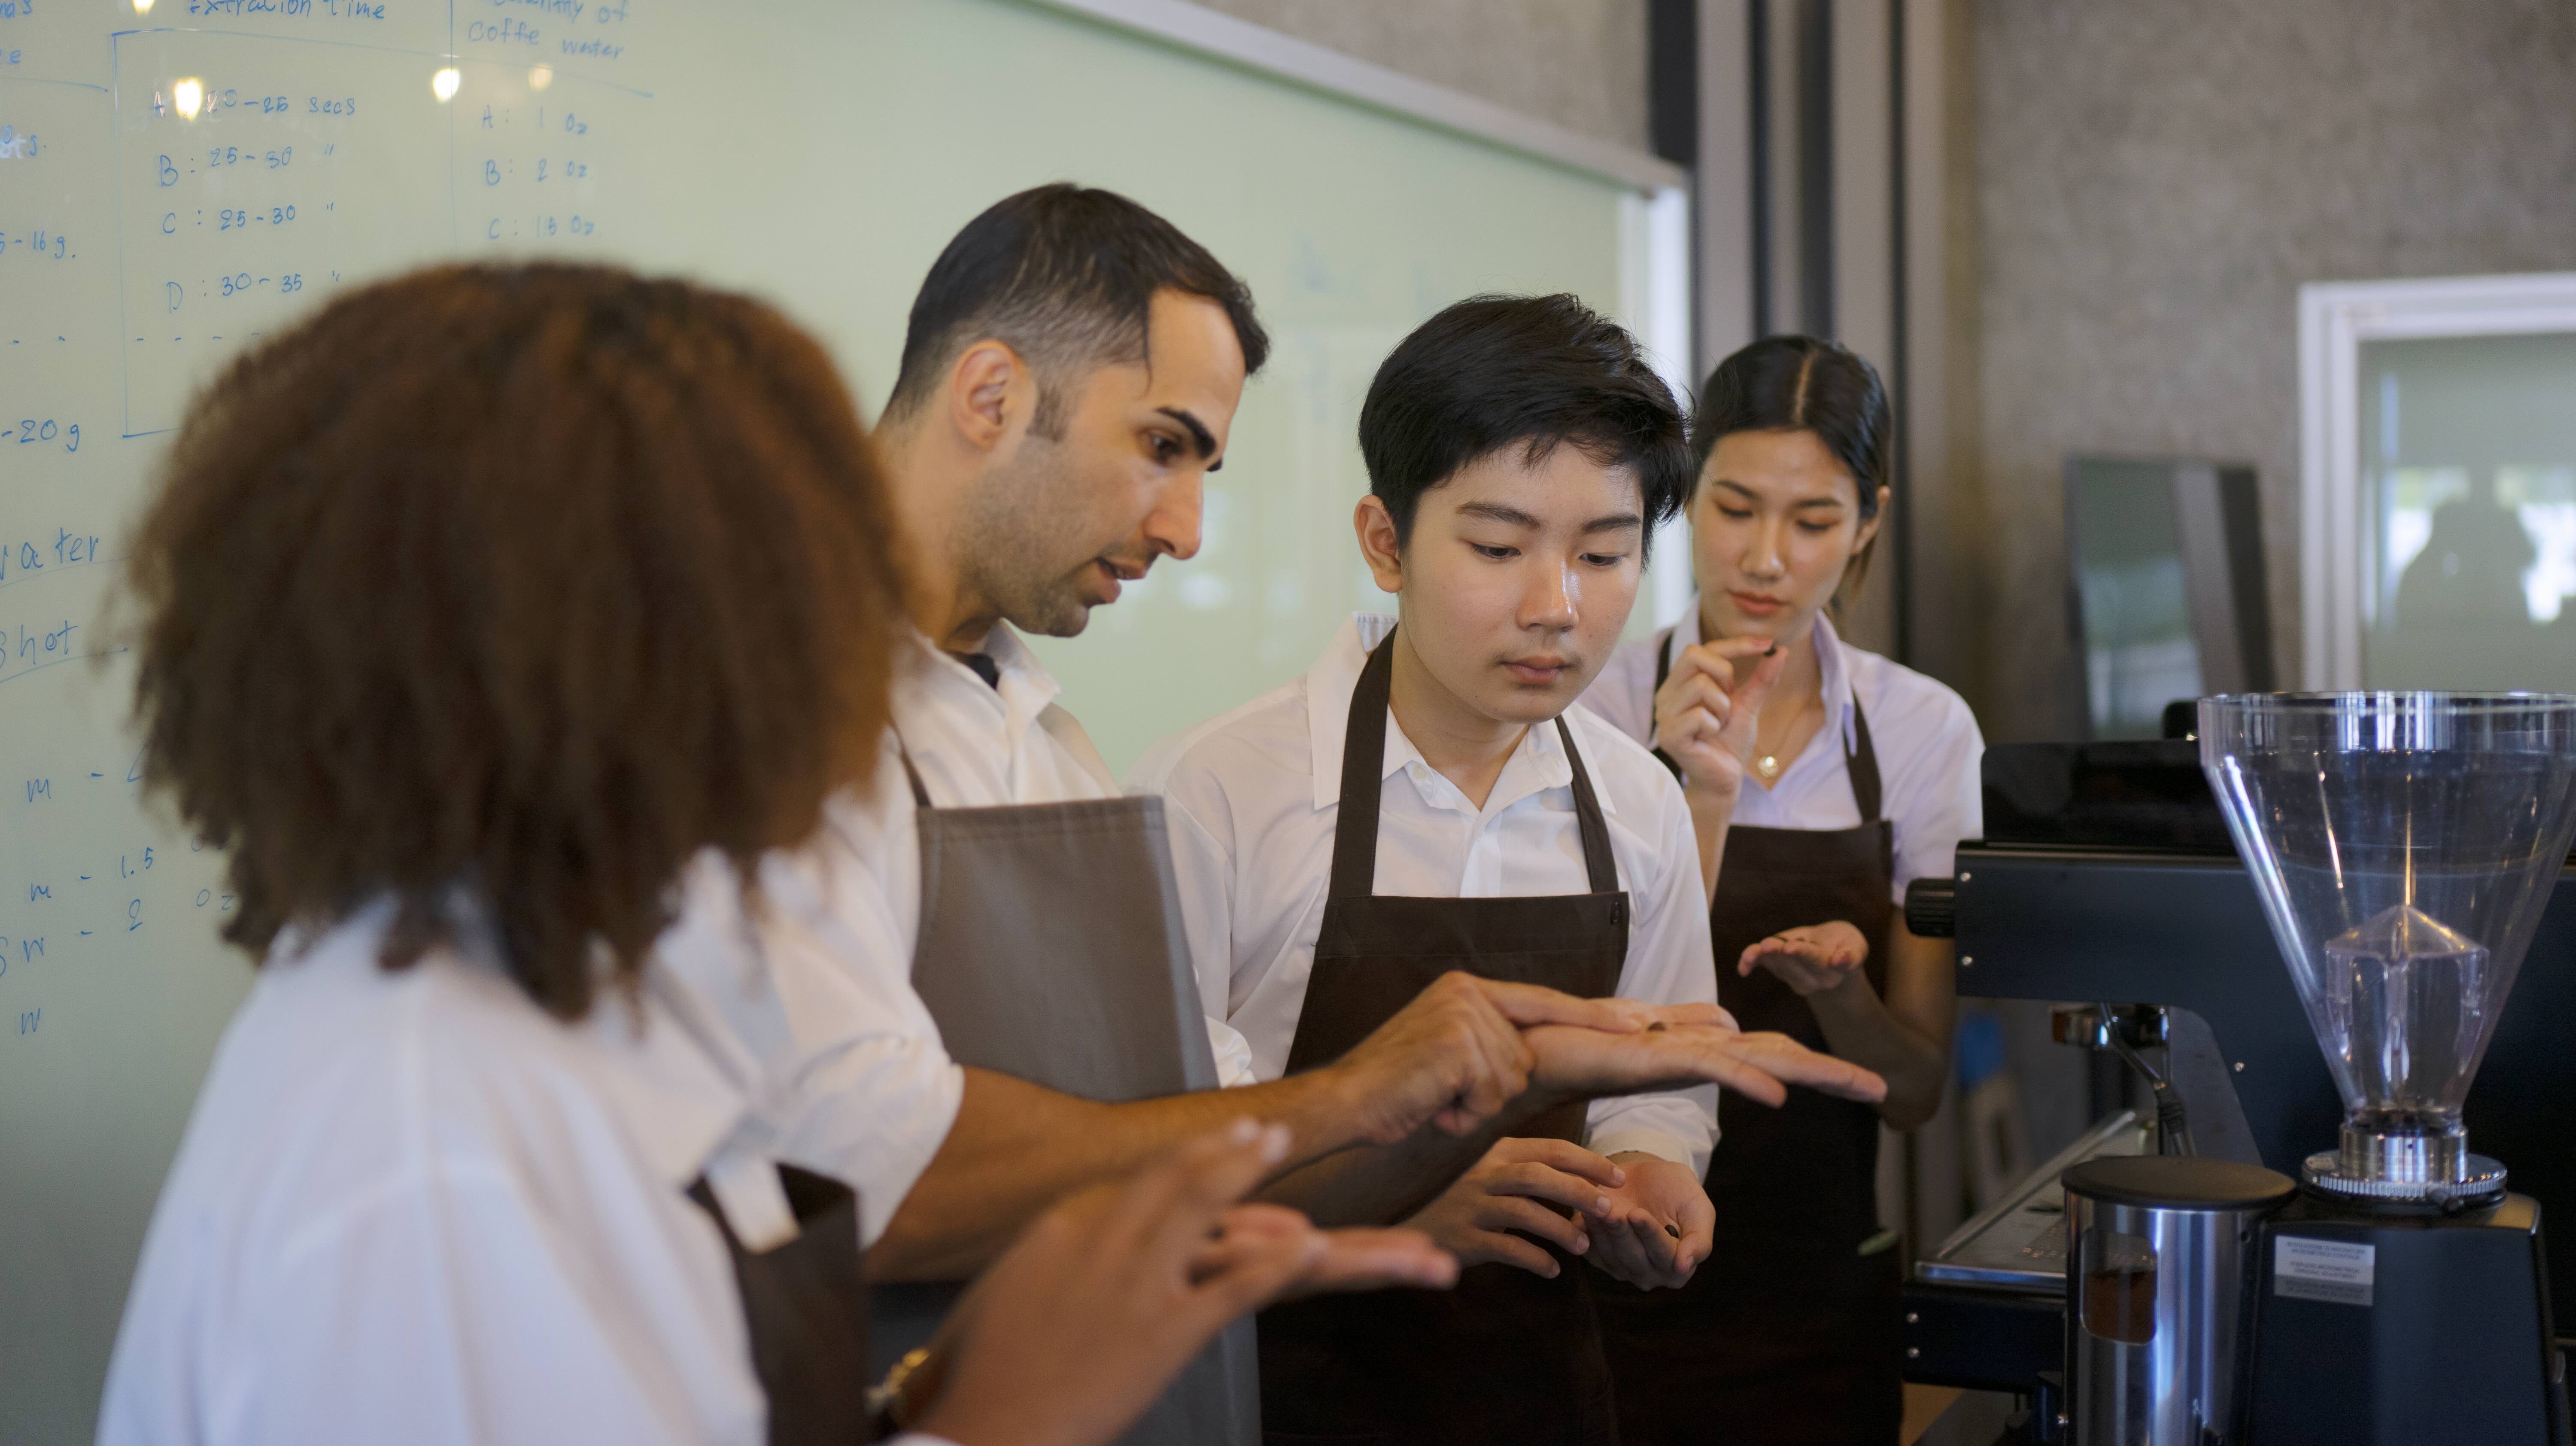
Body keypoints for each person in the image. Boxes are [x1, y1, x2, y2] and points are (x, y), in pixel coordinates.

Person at [91, 264, 1476, 1446]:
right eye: (788, 564)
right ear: (574, 644)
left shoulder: (540, 991)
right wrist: (990, 1417)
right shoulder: (430, 1142)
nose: (831, 625)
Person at [661, 186, 1892, 1332]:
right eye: (1161, 446)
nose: (1190, 530)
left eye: (1603, 554)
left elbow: (1171, 1150)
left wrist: (1558, 1104)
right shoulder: (748, 707)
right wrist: (1400, 1092)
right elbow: (872, 1176)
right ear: (988, 396)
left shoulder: (1042, 742)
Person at [1133, 297, 1891, 1445]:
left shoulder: (1637, 802)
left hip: (1535, 1395)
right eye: (1497, 548)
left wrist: (1652, 1172)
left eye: (1604, 553)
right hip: (1267, 1398)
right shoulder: (1215, 794)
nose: (1557, 608)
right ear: (1386, 541)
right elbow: (1154, 1172)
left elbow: (1666, 1082)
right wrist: (1400, 1211)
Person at [1583, 335, 1983, 1446]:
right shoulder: (1595, 702)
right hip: (1610, 1259)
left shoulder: (1919, 732)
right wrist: (1681, 786)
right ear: (1684, 498)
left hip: (1816, 1293)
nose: (1765, 558)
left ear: (1868, 524)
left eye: (1812, 523)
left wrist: (1842, 999)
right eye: (1733, 508)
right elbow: (1589, 1022)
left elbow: (1913, 1091)